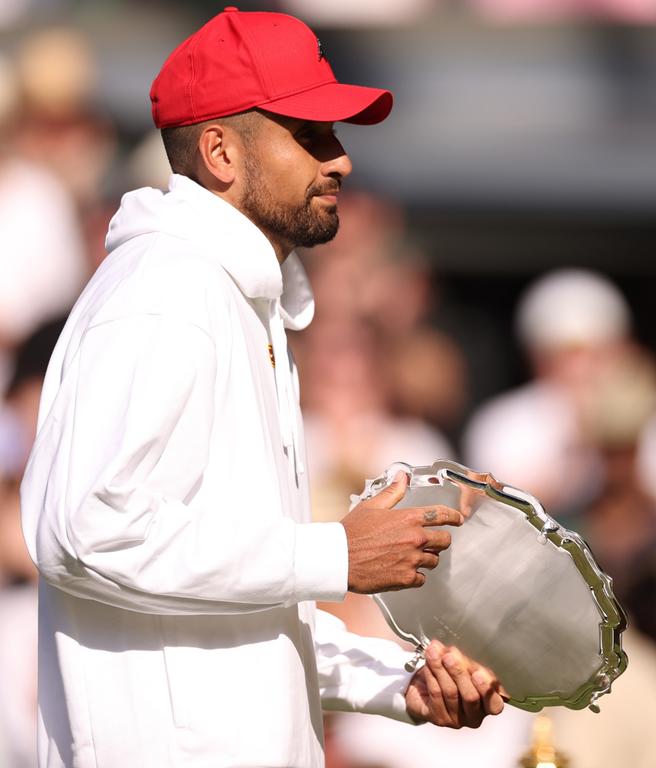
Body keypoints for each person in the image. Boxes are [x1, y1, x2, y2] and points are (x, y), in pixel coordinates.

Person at [19, 9, 503, 768]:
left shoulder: (232, 299)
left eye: (336, 136)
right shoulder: (167, 293)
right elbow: (83, 531)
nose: (340, 161)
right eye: (309, 135)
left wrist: (399, 680)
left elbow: (238, 608)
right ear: (220, 152)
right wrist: (334, 553)